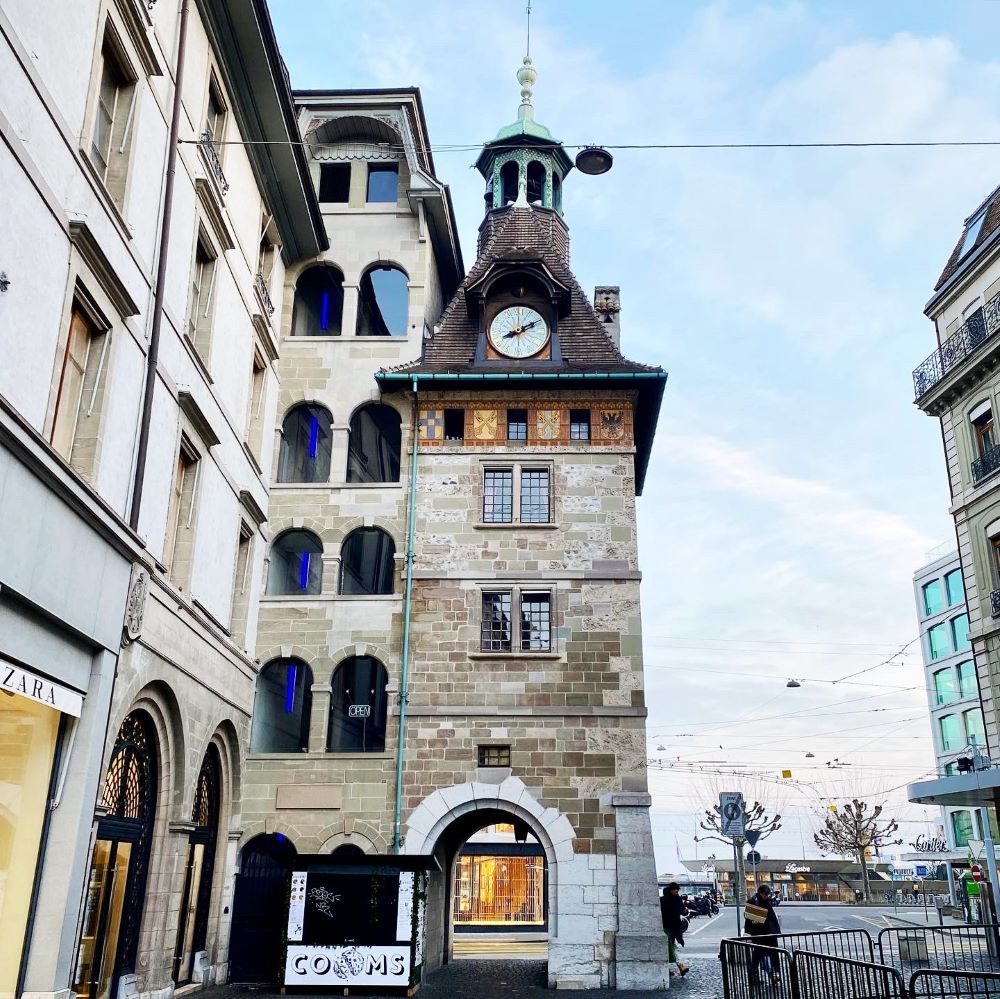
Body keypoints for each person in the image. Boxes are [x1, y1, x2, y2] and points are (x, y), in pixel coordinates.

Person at [744, 883, 782, 985]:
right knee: (759, 955)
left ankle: (773, 974)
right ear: (761, 893)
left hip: (768, 933)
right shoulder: (753, 901)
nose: (767, 896)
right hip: (760, 934)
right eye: (766, 894)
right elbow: (750, 919)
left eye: (768, 894)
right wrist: (758, 919)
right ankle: (756, 976)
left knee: (768, 955)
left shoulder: (764, 900)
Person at [660, 883, 690, 977]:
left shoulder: (678, 899)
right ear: (670, 890)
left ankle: (674, 967)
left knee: (671, 947)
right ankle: (680, 966)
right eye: (674, 889)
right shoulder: (663, 900)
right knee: (670, 948)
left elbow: (682, 910)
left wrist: (684, 910)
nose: (676, 891)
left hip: (675, 926)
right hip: (665, 927)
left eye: (677, 889)